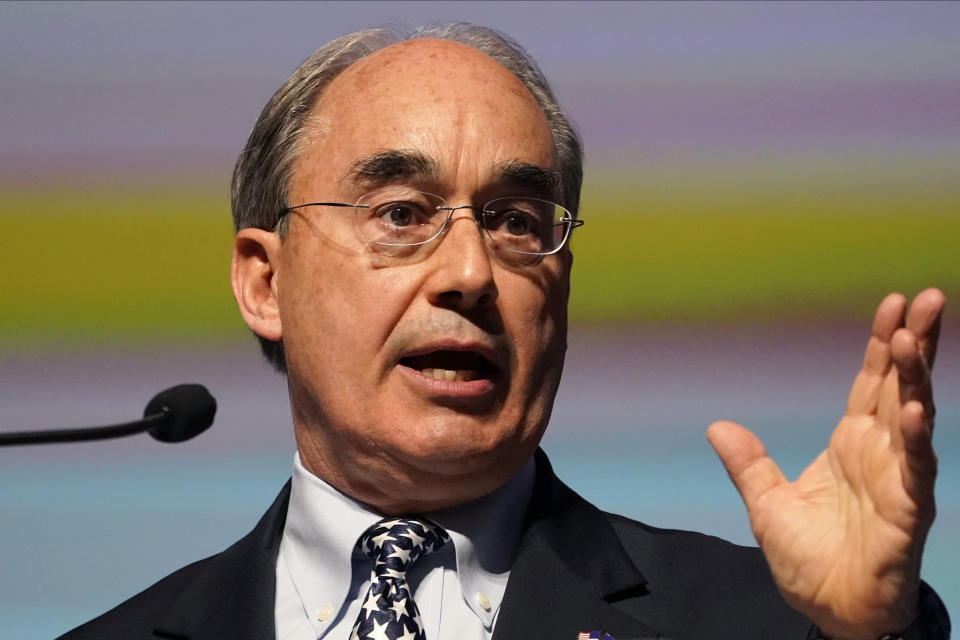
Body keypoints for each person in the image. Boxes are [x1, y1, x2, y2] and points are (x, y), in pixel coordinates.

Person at [59, 23, 949, 640]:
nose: (472, 273)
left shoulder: (769, 626)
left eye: (518, 221)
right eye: (402, 212)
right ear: (265, 280)